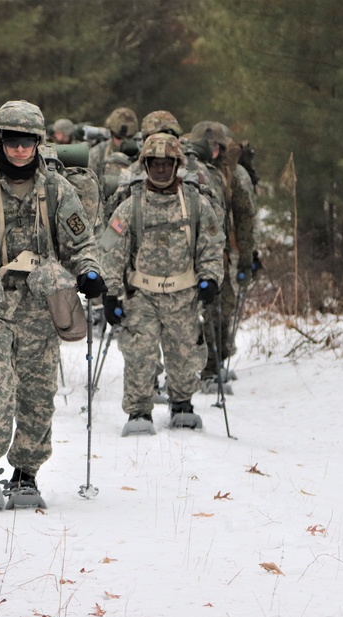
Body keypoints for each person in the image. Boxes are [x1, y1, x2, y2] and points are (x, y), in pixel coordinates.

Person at [0, 100, 106, 508]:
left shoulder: (57, 189)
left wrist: (89, 271)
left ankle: (27, 474)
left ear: (37, 143)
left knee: (37, 394)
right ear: (0, 142)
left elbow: (82, 243)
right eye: (11, 141)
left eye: (26, 142)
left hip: (42, 307)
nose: (18, 150)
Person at [100, 133, 225, 435]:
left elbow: (212, 244)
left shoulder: (196, 204)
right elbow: (110, 249)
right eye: (154, 164)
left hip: (183, 294)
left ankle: (182, 403)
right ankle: (139, 410)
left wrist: (210, 278)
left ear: (176, 165)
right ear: (145, 165)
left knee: (184, 354)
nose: (160, 170)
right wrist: (111, 294)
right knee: (139, 355)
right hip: (142, 295)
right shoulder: (131, 206)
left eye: (166, 164)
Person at [189, 121, 258, 389]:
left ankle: (213, 363)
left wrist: (247, 257)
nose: (211, 152)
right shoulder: (182, 169)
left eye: (216, 147)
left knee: (220, 308)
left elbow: (246, 219)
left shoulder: (235, 175)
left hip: (220, 253)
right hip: (184, 254)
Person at [88, 106, 139, 203]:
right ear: (111, 133)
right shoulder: (98, 153)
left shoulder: (140, 155)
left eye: (129, 138)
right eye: (119, 137)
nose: (123, 142)